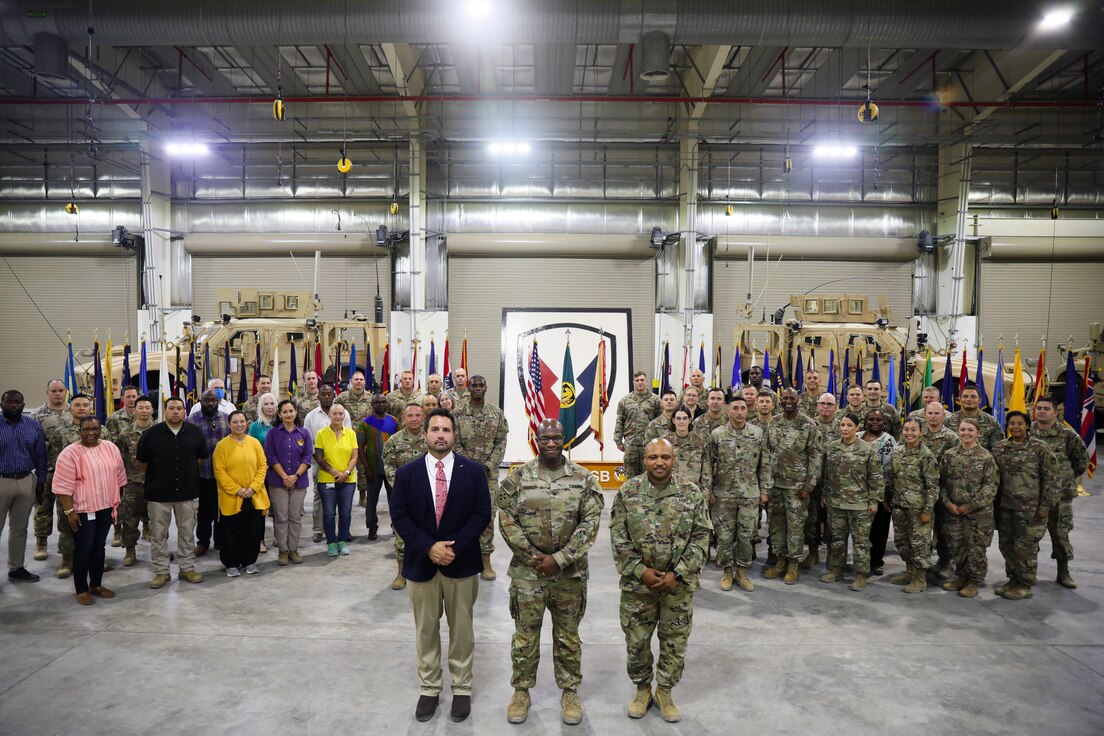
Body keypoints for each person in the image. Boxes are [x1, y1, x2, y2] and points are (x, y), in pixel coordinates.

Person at [498, 419, 604, 726]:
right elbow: (505, 518)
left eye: (557, 438)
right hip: (528, 573)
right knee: (524, 637)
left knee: (568, 636)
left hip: (569, 576)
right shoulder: (518, 476)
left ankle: (569, 691)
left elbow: (591, 522)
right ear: (537, 439)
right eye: (546, 438)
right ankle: (521, 691)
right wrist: (532, 555)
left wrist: (560, 558)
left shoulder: (583, 478)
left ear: (564, 439)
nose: (551, 443)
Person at [391, 408, 492, 724]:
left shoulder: (473, 471)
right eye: (434, 429)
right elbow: (400, 517)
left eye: (446, 430)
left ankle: (461, 689)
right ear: (425, 434)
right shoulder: (407, 474)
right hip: (421, 564)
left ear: (454, 435)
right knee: (426, 630)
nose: (440, 435)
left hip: (461, 564)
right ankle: (430, 688)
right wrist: (429, 547)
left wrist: (454, 548)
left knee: (462, 630)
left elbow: (481, 514)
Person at [610, 438, 711, 723]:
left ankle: (664, 691)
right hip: (637, 586)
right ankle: (642, 689)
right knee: (637, 641)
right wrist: (639, 569)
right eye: (653, 457)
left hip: (677, 587)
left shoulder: (691, 493)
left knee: (674, 642)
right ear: (644, 459)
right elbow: (618, 537)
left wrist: (677, 573)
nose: (659, 462)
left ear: (674, 459)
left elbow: (702, 536)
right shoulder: (628, 491)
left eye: (665, 457)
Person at [52, 416, 126, 605]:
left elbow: (119, 478)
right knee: (84, 549)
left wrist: (115, 502)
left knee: (99, 547)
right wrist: (70, 512)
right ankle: (81, 589)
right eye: (86, 429)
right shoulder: (70, 453)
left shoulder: (110, 448)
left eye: (95, 429)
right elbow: (63, 486)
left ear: (101, 429)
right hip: (83, 510)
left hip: (106, 507)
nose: (91, 433)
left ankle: (96, 585)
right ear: (80, 430)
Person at [137, 397, 206, 589]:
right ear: (164, 411)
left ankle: (187, 568)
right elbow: (143, 462)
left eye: (179, 408)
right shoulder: (151, 435)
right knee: (158, 535)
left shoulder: (195, 432)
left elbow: (200, 459)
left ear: (185, 411)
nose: (175, 411)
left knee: (187, 533)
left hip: (187, 491)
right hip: (159, 493)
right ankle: (161, 572)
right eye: (171, 408)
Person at [991, 411, 1059, 600]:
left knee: (1025, 547)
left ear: (1027, 426)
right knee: (1007, 545)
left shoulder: (1040, 448)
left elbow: (1052, 480)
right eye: (1012, 423)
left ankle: (1025, 584)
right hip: (1005, 507)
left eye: (1020, 423)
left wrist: (1046, 506)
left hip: (1030, 509)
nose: (1015, 427)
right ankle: (1013, 579)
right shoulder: (1000, 448)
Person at [708, 394, 772, 592]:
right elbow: (708, 464)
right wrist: (708, 490)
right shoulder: (717, 434)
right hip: (723, 494)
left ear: (747, 410)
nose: (739, 412)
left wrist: (765, 490)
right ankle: (727, 571)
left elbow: (765, 463)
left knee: (746, 537)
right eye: (735, 408)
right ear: (728, 411)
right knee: (724, 537)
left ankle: (742, 572)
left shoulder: (758, 434)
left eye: (743, 408)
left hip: (749, 494)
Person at [763, 388, 822, 584]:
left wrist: (809, 486)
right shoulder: (773, 423)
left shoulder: (808, 425)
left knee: (795, 527)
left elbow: (815, 455)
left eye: (792, 398)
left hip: (796, 487)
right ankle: (780, 561)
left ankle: (793, 564)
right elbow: (766, 452)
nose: (788, 401)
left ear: (798, 401)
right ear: (780, 401)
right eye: (785, 398)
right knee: (776, 525)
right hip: (775, 485)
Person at [1030, 396, 1090, 589]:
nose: (1041, 411)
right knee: (1029, 536)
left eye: (1046, 409)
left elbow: (1081, 462)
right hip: (1032, 495)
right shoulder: (1028, 431)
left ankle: (1063, 572)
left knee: (1060, 534)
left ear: (1056, 412)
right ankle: (1029, 573)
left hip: (1060, 496)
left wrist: (1061, 480)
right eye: (1039, 408)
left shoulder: (1068, 435)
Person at [820, 413, 884, 591]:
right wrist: (825, 495)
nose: (845, 429)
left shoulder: (867, 449)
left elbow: (876, 478)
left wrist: (874, 501)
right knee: (837, 539)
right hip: (836, 503)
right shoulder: (832, 448)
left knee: (861, 541)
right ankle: (836, 569)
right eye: (842, 425)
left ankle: (861, 574)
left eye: (849, 425)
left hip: (860, 504)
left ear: (857, 428)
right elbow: (827, 474)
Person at [455, 374, 509, 581]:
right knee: (462, 515)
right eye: (474, 385)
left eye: (481, 385)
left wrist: (488, 465)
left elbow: (501, 442)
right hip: (462, 474)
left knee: (487, 516)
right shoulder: (457, 413)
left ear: (486, 388)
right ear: (468, 388)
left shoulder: (496, 414)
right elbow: (455, 441)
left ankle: (486, 560)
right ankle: (464, 557)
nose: (477, 388)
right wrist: (469, 466)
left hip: (489, 475)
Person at [939, 417, 999, 598]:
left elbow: (991, 486)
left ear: (978, 433)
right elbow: (940, 483)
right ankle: (961, 576)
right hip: (953, 512)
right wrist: (947, 503)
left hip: (977, 514)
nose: (966, 433)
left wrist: (970, 506)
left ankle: (973, 581)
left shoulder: (985, 457)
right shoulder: (949, 455)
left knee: (975, 548)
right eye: (963, 429)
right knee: (956, 546)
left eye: (970, 430)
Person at [884, 417, 939, 593]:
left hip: (919, 508)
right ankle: (910, 570)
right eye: (906, 429)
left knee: (919, 544)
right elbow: (891, 478)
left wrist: (928, 510)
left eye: (913, 430)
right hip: (899, 505)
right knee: (902, 542)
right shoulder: (897, 452)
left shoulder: (926, 456)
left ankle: (920, 579)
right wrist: (887, 499)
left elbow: (932, 485)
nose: (909, 433)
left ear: (921, 432)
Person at [213, 411, 269, 576]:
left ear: (246, 423)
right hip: (231, 496)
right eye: (235, 422)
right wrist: (238, 490)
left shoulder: (255, 443)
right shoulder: (222, 446)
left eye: (242, 421)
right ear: (229, 425)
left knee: (252, 531)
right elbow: (220, 472)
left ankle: (249, 561)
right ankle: (231, 563)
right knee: (230, 531)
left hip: (254, 495)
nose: (239, 425)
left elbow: (262, 466)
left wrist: (253, 488)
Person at [42, 393, 92, 575]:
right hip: (70, 488)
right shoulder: (60, 433)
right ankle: (67, 560)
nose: (81, 408)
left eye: (85, 405)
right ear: (70, 408)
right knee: (67, 523)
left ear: (90, 408)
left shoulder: (100, 430)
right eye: (77, 405)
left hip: (93, 488)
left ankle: (92, 559)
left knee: (92, 525)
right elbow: (55, 461)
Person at [1, 389, 47, 587]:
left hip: (27, 480)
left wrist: (41, 481)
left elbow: (41, 455)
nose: (13, 405)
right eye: (9, 402)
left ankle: (16, 568)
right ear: (1, 404)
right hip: (1, 481)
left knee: (20, 528)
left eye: (17, 402)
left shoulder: (33, 425)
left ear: (23, 404)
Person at [264, 399, 314, 566]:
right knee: (281, 517)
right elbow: (271, 456)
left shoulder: (304, 433)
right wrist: (285, 476)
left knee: (295, 517)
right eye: (284, 412)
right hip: (278, 482)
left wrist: (295, 476)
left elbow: (307, 457)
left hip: (299, 482)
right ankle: (283, 551)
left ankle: (293, 549)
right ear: (279, 414)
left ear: (296, 412)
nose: (288, 414)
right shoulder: (273, 433)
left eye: (291, 411)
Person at [384, 403, 427, 590]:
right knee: (403, 535)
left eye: (418, 415)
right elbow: (389, 467)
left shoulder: (432, 439)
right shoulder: (393, 441)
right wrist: (403, 489)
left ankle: (426, 570)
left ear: (424, 417)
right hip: (405, 498)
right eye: (410, 415)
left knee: (429, 533)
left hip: (429, 497)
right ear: (403, 418)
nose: (414, 418)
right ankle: (401, 573)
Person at [111, 395, 155, 567]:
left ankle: (160, 550)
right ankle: (130, 550)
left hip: (155, 483)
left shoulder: (159, 430)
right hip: (132, 483)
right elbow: (120, 459)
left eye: (147, 408)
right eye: (141, 408)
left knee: (158, 520)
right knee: (129, 520)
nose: (144, 411)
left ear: (152, 410)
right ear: (135, 410)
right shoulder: (126, 433)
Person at [186, 389, 231, 556]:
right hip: (201, 475)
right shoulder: (191, 421)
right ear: (200, 401)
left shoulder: (227, 419)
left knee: (221, 509)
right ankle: (203, 542)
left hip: (223, 475)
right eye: (207, 400)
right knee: (204, 511)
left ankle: (220, 540)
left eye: (214, 400)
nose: (211, 403)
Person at [306, 384, 350, 543]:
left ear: (334, 396)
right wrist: (321, 461)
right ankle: (318, 529)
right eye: (323, 394)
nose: (326, 397)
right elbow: (308, 441)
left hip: (343, 463)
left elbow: (349, 436)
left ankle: (345, 530)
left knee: (343, 497)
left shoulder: (344, 413)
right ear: (318, 397)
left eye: (329, 394)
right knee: (320, 496)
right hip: (320, 463)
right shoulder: (311, 417)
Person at [921, 400, 960, 579]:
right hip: (920, 489)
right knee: (921, 528)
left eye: (937, 413)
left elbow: (957, 464)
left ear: (944, 415)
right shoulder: (917, 434)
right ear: (925, 414)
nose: (933, 417)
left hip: (944, 489)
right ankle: (922, 561)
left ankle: (945, 561)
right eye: (930, 413)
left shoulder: (952, 438)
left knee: (944, 528)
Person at [314, 404, 358, 557]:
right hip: (327, 480)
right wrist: (333, 471)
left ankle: (342, 541)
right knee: (329, 512)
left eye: (340, 414)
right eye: (335, 414)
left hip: (348, 480)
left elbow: (355, 456)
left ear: (344, 416)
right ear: (329, 416)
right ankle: (331, 542)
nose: (338, 416)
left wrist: (346, 472)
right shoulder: (321, 434)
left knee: (345, 512)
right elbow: (318, 457)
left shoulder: (351, 434)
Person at [802, 392, 839, 569]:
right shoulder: (809, 426)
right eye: (822, 403)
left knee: (834, 522)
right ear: (817, 405)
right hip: (813, 481)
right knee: (812, 520)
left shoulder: (842, 427)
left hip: (834, 482)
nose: (825, 407)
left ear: (835, 407)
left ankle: (833, 556)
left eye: (829, 404)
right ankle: (813, 553)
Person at [336, 370, 374, 539]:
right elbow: (334, 413)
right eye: (356, 380)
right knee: (348, 468)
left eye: (361, 380)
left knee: (364, 469)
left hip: (365, 438)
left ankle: (362, 495)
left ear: (365, 382)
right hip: (346, 438)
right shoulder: (342, 398)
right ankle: (346, 497)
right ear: (351, 382)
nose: (359, 382)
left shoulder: (370, 398)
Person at [356, 394, 399, 535]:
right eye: (378, 402)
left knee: (395, 501)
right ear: (372, 405)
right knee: (372, 501)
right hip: (373, 469)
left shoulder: (394, 421)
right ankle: (372, 527)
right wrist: (366, 467)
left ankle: (396, 526)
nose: (381, 404)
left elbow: (399, 443)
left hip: (391, 469)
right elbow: (360, 446)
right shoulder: (365, 423)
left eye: (383, 402)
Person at [862, 410, 897, 576]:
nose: (874, 422)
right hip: (858, 492)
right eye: (871, 419)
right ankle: (861, 560)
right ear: (866, 421)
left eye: (878, 419)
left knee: (879, 529)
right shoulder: (857, 435)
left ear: (884, 422)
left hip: (880, 493)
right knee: (862, 529)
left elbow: (889, 469)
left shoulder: (888, 440)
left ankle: (876, 561)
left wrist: (884, 497)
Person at [614, 371, 661, 478]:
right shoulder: (625, 400)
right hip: (631, 445)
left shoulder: (655, 400)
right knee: (631, 477)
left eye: (642, 380)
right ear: (633, 382)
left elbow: (660, 421)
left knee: (649, 475)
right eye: (637, 380)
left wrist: (659, 442)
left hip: (649, 444)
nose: (639, 382)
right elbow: (620, 421)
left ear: (646, 381)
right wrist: (618, 440)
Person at [666, 406, 711, 492]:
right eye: (678, 418)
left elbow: (706, 473)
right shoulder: (665, 443)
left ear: (690, 420)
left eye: (684, 418)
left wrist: (705, 497)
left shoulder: (700, 443)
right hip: (670, 492)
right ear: (673, 420)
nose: (681, 421)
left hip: (693, 493)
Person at [946, 386, 1003, 450]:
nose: (969, 399)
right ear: (960, 400)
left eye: (973, 397)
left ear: (980, 400)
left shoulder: (992, 422)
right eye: (965, 396)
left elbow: (997, 449)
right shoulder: (948, 421)